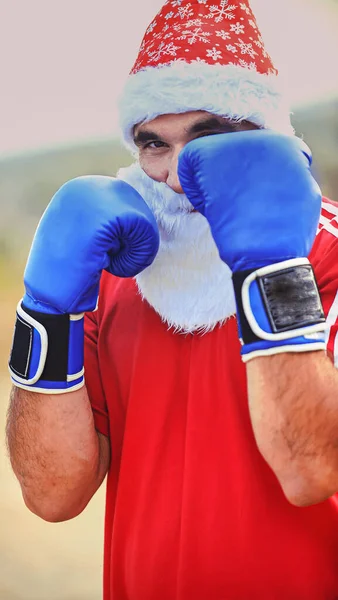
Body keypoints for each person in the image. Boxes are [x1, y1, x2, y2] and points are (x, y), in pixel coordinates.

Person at [6, 1, 338, 598]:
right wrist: (46, 313)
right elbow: (53, 494)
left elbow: (312, 471)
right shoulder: (116, 274)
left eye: (209, 137)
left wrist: (271, 267)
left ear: (266, 135)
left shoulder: (330, 254)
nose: (179, 177)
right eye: (153, 145)